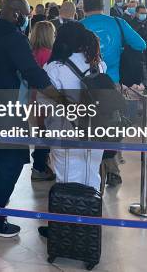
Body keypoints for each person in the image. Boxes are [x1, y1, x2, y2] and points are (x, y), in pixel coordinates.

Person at [0, 0, 56, 238]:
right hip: (4, 106)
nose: (27, 21)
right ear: (17, 14)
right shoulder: (14, 37)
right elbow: (32, 72)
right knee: (11, 161)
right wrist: (59, 97)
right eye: (26, 16)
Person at [80, 0, 146, 186]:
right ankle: (113, 168)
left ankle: (91, 171)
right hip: (112, 83)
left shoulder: (79, 25)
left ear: (84, 8)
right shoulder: (117, 23)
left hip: (85, 85)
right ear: (104, 6)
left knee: (86, 126)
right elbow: (141, 44)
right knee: (112, 126)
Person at [42, 22, 106, 189]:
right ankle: (91, 208)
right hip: (96, 128)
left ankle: (70, 211)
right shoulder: (97, 64)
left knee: (67, 178)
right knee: (92, 173)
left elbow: (44, 103)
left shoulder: (54, 67)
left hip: (64, 130)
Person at [28, 20, 56, 181]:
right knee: (44, 133)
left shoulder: (30, 52)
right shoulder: (48, 54)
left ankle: (41, 164)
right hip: (44, 99)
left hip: (32, 98)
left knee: (40, 132)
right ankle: (39, 167)